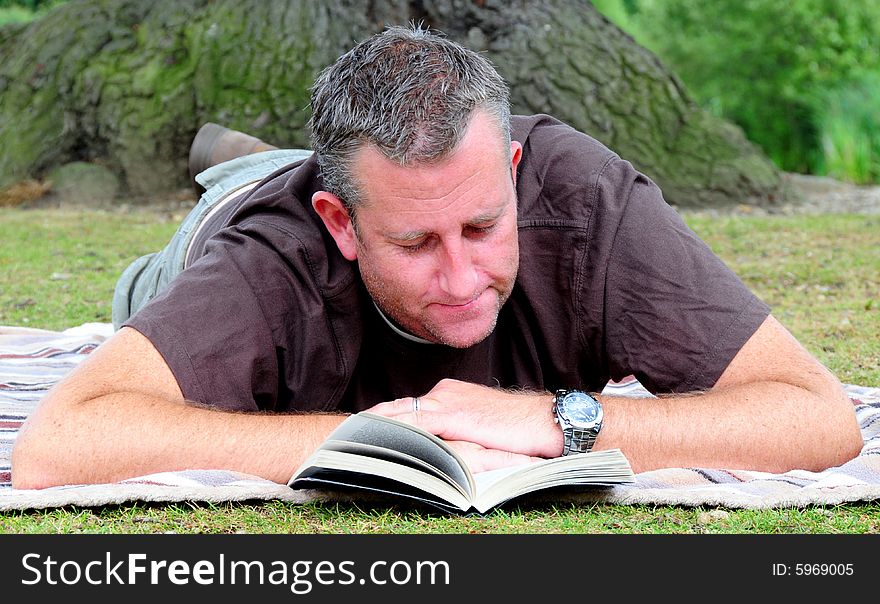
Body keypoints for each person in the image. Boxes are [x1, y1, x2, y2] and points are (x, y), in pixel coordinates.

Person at [12, 25, 862, 490]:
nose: (461, 281)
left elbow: (817, 416)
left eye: (484, 227)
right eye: (416, 244)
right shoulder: (271, 261)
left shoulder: (587, 201)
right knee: (205, 225)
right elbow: (61, 442)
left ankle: (260, 154)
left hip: (352, 181)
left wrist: (563, 421)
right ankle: (238, 161)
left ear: (514, 175)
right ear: (341, 226)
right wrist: (372, 438)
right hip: (223, 219)